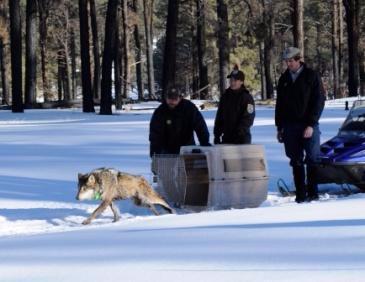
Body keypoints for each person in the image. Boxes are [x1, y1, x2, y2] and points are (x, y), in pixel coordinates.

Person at [275, 47, 325, 203]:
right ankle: (301, 195)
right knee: (295, 160)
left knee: (312, 159)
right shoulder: (284, 79)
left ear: (298, 60)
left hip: (308, 124)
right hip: (290, 126)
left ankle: (313, 193)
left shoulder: (311, 76)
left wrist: (311, 124)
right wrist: (279, 126)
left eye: (291, 61)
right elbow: (280, 105)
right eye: (286, 61)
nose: (288, 64)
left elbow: (319, 101)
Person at [149, 87, 210, 158]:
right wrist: (154, 150)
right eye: (170, 98)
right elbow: (155, 133)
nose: (172, 101)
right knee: (169, 167)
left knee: (187, 168)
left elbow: (200, 125)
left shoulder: (189, 108)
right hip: (167, 149)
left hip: (187, 147)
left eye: (175, 99)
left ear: (180, 98)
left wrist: (204, 141)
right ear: (166, 98)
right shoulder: (160, 111)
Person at [214, 65, 255, 144]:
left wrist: (239, 132)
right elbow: (219, 116)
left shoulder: (247, 97)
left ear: (241, 82)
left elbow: (249, 117)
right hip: (226, 137)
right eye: (231, 80)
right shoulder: (225, 96)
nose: (232, 82)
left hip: (242, 138)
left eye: (235, 80)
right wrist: (217, 134)